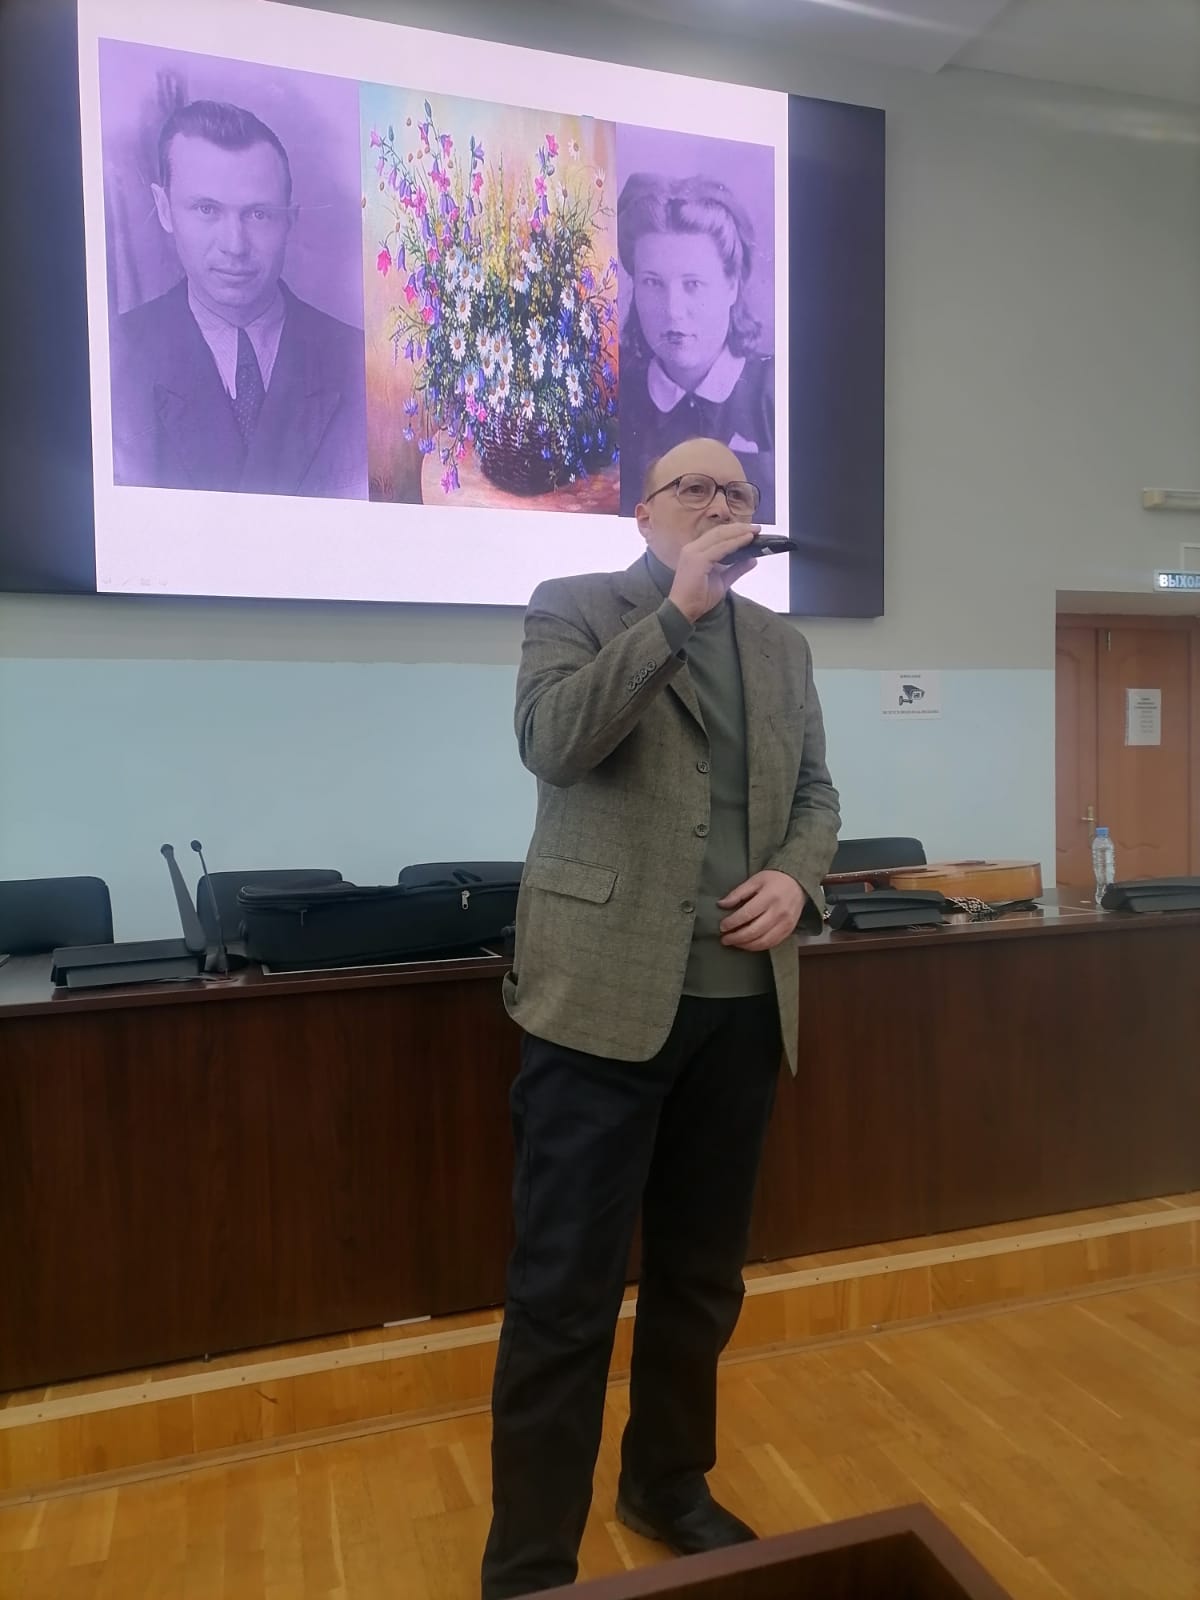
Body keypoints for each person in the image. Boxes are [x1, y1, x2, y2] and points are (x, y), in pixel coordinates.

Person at [482, 435, 839, 1598]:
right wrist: (678, 611)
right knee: (564, 1295)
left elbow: (816, 795)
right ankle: (532, 1561)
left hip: (742, 1013)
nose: (720, 502)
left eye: (738, 491)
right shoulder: (575, 606)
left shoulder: (783, 647)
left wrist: (797, 876)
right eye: (695, 488)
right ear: (644, 513)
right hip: (597, 1007)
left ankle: (667, 1484)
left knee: (700, 1281)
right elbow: (554, 742)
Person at [109, 99, 367, 499]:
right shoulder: (113, 357)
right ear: (164, 209)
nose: (234, 245)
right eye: (206, 209)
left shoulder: (361, 362)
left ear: (290, 220)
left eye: (258, 214)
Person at [617, 173, 775, 523]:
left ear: (731, 286)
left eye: (693, 284)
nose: (673, 310)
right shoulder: (614, 397)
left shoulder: (774, 393)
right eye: (652, 282)